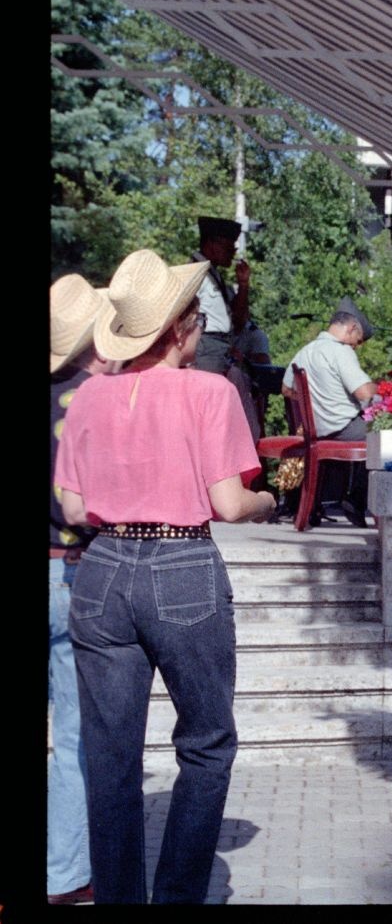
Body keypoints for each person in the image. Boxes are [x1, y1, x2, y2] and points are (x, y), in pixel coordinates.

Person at [54, 249, 277, 903]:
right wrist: (270, 500)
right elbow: (232, 504)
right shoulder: (211, 392)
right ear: (182, 327)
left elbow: (71, 507)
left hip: (100, 572)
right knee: (206, 743)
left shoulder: (89, 395)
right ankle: (177, 896)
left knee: (108, 753)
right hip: (181, 563)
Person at [48, 273, 111, 906]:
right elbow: (80, 506)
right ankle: (64, 873)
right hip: (70, 569)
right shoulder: (93, 401)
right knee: (73, 736)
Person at [280, 298, 378, 527]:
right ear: (351, 328)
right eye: (358, 340)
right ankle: (357, 498)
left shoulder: (306, 351)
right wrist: (382, 388)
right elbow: (364, 393)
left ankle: (335, 501)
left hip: (318, 430)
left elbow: (285, 389)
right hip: (342, 428)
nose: (356, 346)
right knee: (389, 436)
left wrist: (314, 401)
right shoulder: (340, 351)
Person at [190, 216, 250, 375]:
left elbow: (239, 320)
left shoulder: (215, 275)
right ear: (211, 244)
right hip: (206, 348)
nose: (232, 254)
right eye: (228, 248)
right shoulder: (194, 273)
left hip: (221, 347)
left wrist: (243, 284)